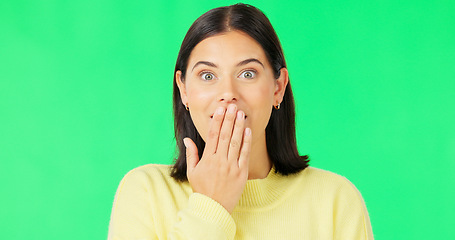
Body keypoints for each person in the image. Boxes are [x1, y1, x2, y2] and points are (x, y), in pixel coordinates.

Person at [108, 3, 374, 240]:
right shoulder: (144, 192)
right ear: (184, 89)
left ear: (278, 87)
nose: (228, 94)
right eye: (207, 76)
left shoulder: (336, 201)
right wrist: (211, 204)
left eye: (248, 73)